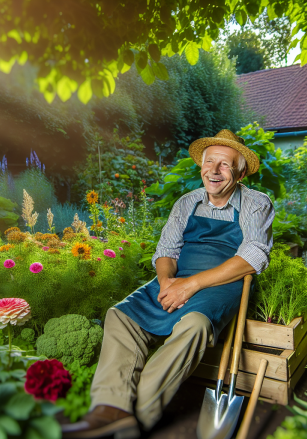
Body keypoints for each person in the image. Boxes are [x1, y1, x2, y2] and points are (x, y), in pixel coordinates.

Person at [62, 129, 275, 439]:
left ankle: (135, 420)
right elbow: (166, 250)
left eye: (225, 164)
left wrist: (191, 286)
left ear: (240, 171)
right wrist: (166, 282)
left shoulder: (256, 202)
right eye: (209, 162)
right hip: (176, 279)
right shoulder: (187, 202)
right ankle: (111, 408)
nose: (214, 171)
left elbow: (252, 257)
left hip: (223, 282)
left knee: (195, 326)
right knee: (121, 316)